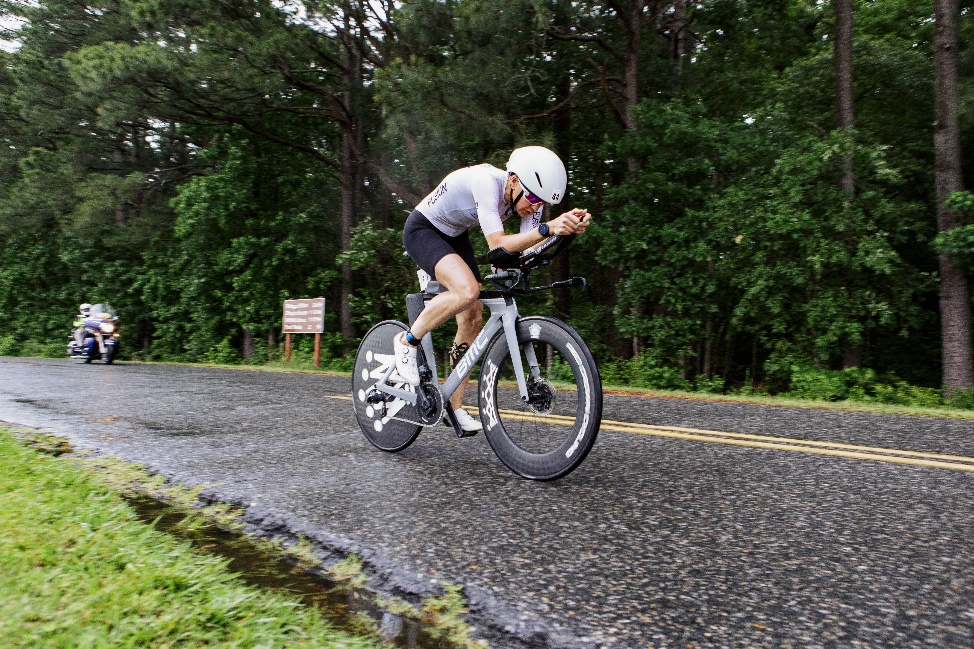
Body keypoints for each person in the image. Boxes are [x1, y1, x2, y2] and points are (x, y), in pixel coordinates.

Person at [398, 145, 592, 433]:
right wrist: (549, 227)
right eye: (534, 198)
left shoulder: (525, 201)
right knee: (467, 291)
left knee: (473, 313)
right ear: (513, 180)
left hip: (454, 234)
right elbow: (498, 244)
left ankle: (453, 404)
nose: (535, 207)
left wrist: (566, 231)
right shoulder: (486, 182)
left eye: (542, 204)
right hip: (423, 229)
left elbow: (530, 247)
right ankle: (407, 342)